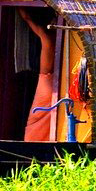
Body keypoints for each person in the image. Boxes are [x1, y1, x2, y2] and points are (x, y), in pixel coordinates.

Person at [19, 10, 59, 142]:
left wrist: (23, 12)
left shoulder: (46, 37)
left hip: (46, 80)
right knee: (48, 116)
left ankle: (30, 142)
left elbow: (27, 18)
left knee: (35, 118)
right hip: (54, 79)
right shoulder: (59, 38)